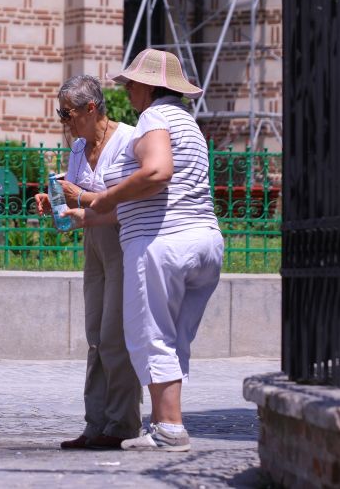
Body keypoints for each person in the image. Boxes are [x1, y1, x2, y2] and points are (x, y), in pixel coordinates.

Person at [67, 49, 223, 452]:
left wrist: (101, 199)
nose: (129, 90)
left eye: (133, 83)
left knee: (149, 336)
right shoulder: (187, 122)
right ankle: (167, 423)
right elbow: (160, 192)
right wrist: (92, 217)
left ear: (149, 86)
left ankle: (168, 428)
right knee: (173, 340)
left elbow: (156, 172)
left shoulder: (154, 117)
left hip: (162, 244)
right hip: (202, 238)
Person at [35, 75, 142, 450]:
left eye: (67, 113)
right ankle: (96, 423)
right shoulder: (79, 148)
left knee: (116, 337)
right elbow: (78, 203)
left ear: (91, 107)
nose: (64, 121)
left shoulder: (129, 141)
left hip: (124, 240)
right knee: (95, 335)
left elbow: (129, 199)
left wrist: (77, 193)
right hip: (93, 243)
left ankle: (122, 423)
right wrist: (57, 203)